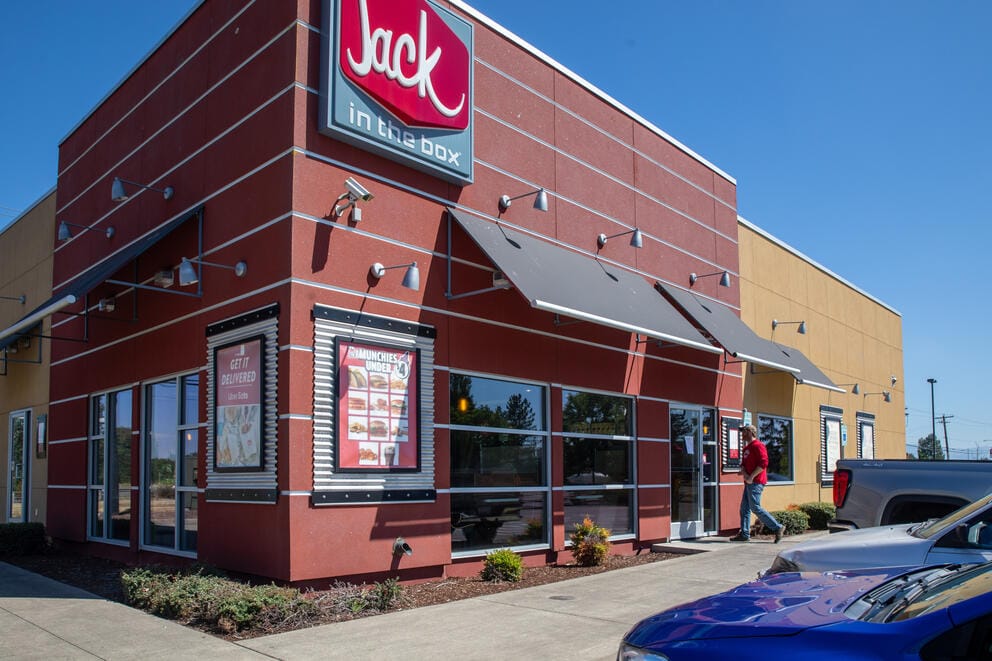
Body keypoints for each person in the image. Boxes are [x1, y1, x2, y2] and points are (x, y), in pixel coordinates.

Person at [731, 424, 784, 543]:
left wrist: (751, 477)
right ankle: (744, 534)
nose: (742, 434)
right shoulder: (746, 449)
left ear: (750, 432)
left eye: (744, 431)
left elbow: (763, 463)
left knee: (755, 507)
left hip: (756, 482)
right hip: (749, 482)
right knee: (744, 509)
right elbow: (743, 465)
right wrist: (744, 472)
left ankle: (777, 527)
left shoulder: (758, 446)